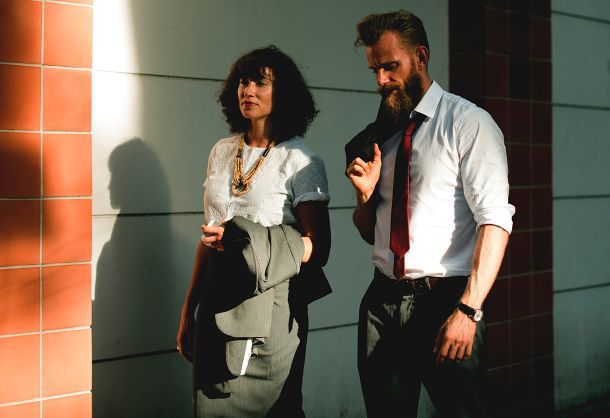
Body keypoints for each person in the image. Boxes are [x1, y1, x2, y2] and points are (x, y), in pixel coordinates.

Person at [345, 10, 515, 418]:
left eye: (391, 66)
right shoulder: (379, 135)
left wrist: (469, 309)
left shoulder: (469, 123)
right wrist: (364, 197)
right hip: (382, 301)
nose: (381, 80)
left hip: (444, 301)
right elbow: (369, 233)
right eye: (374, 70)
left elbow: (495, 221)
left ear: (420, 57)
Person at [177, 46, 331, 418]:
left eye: (260, 82)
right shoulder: (221, 151)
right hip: (217, 298)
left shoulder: (301, 160)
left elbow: (319, 247)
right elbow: (208, 239)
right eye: (243, 82)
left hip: (271, 302)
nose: (248, 90)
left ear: (283, 93)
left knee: (274, 409)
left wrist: (251, 244)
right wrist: (188, 311)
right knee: (212, 405)